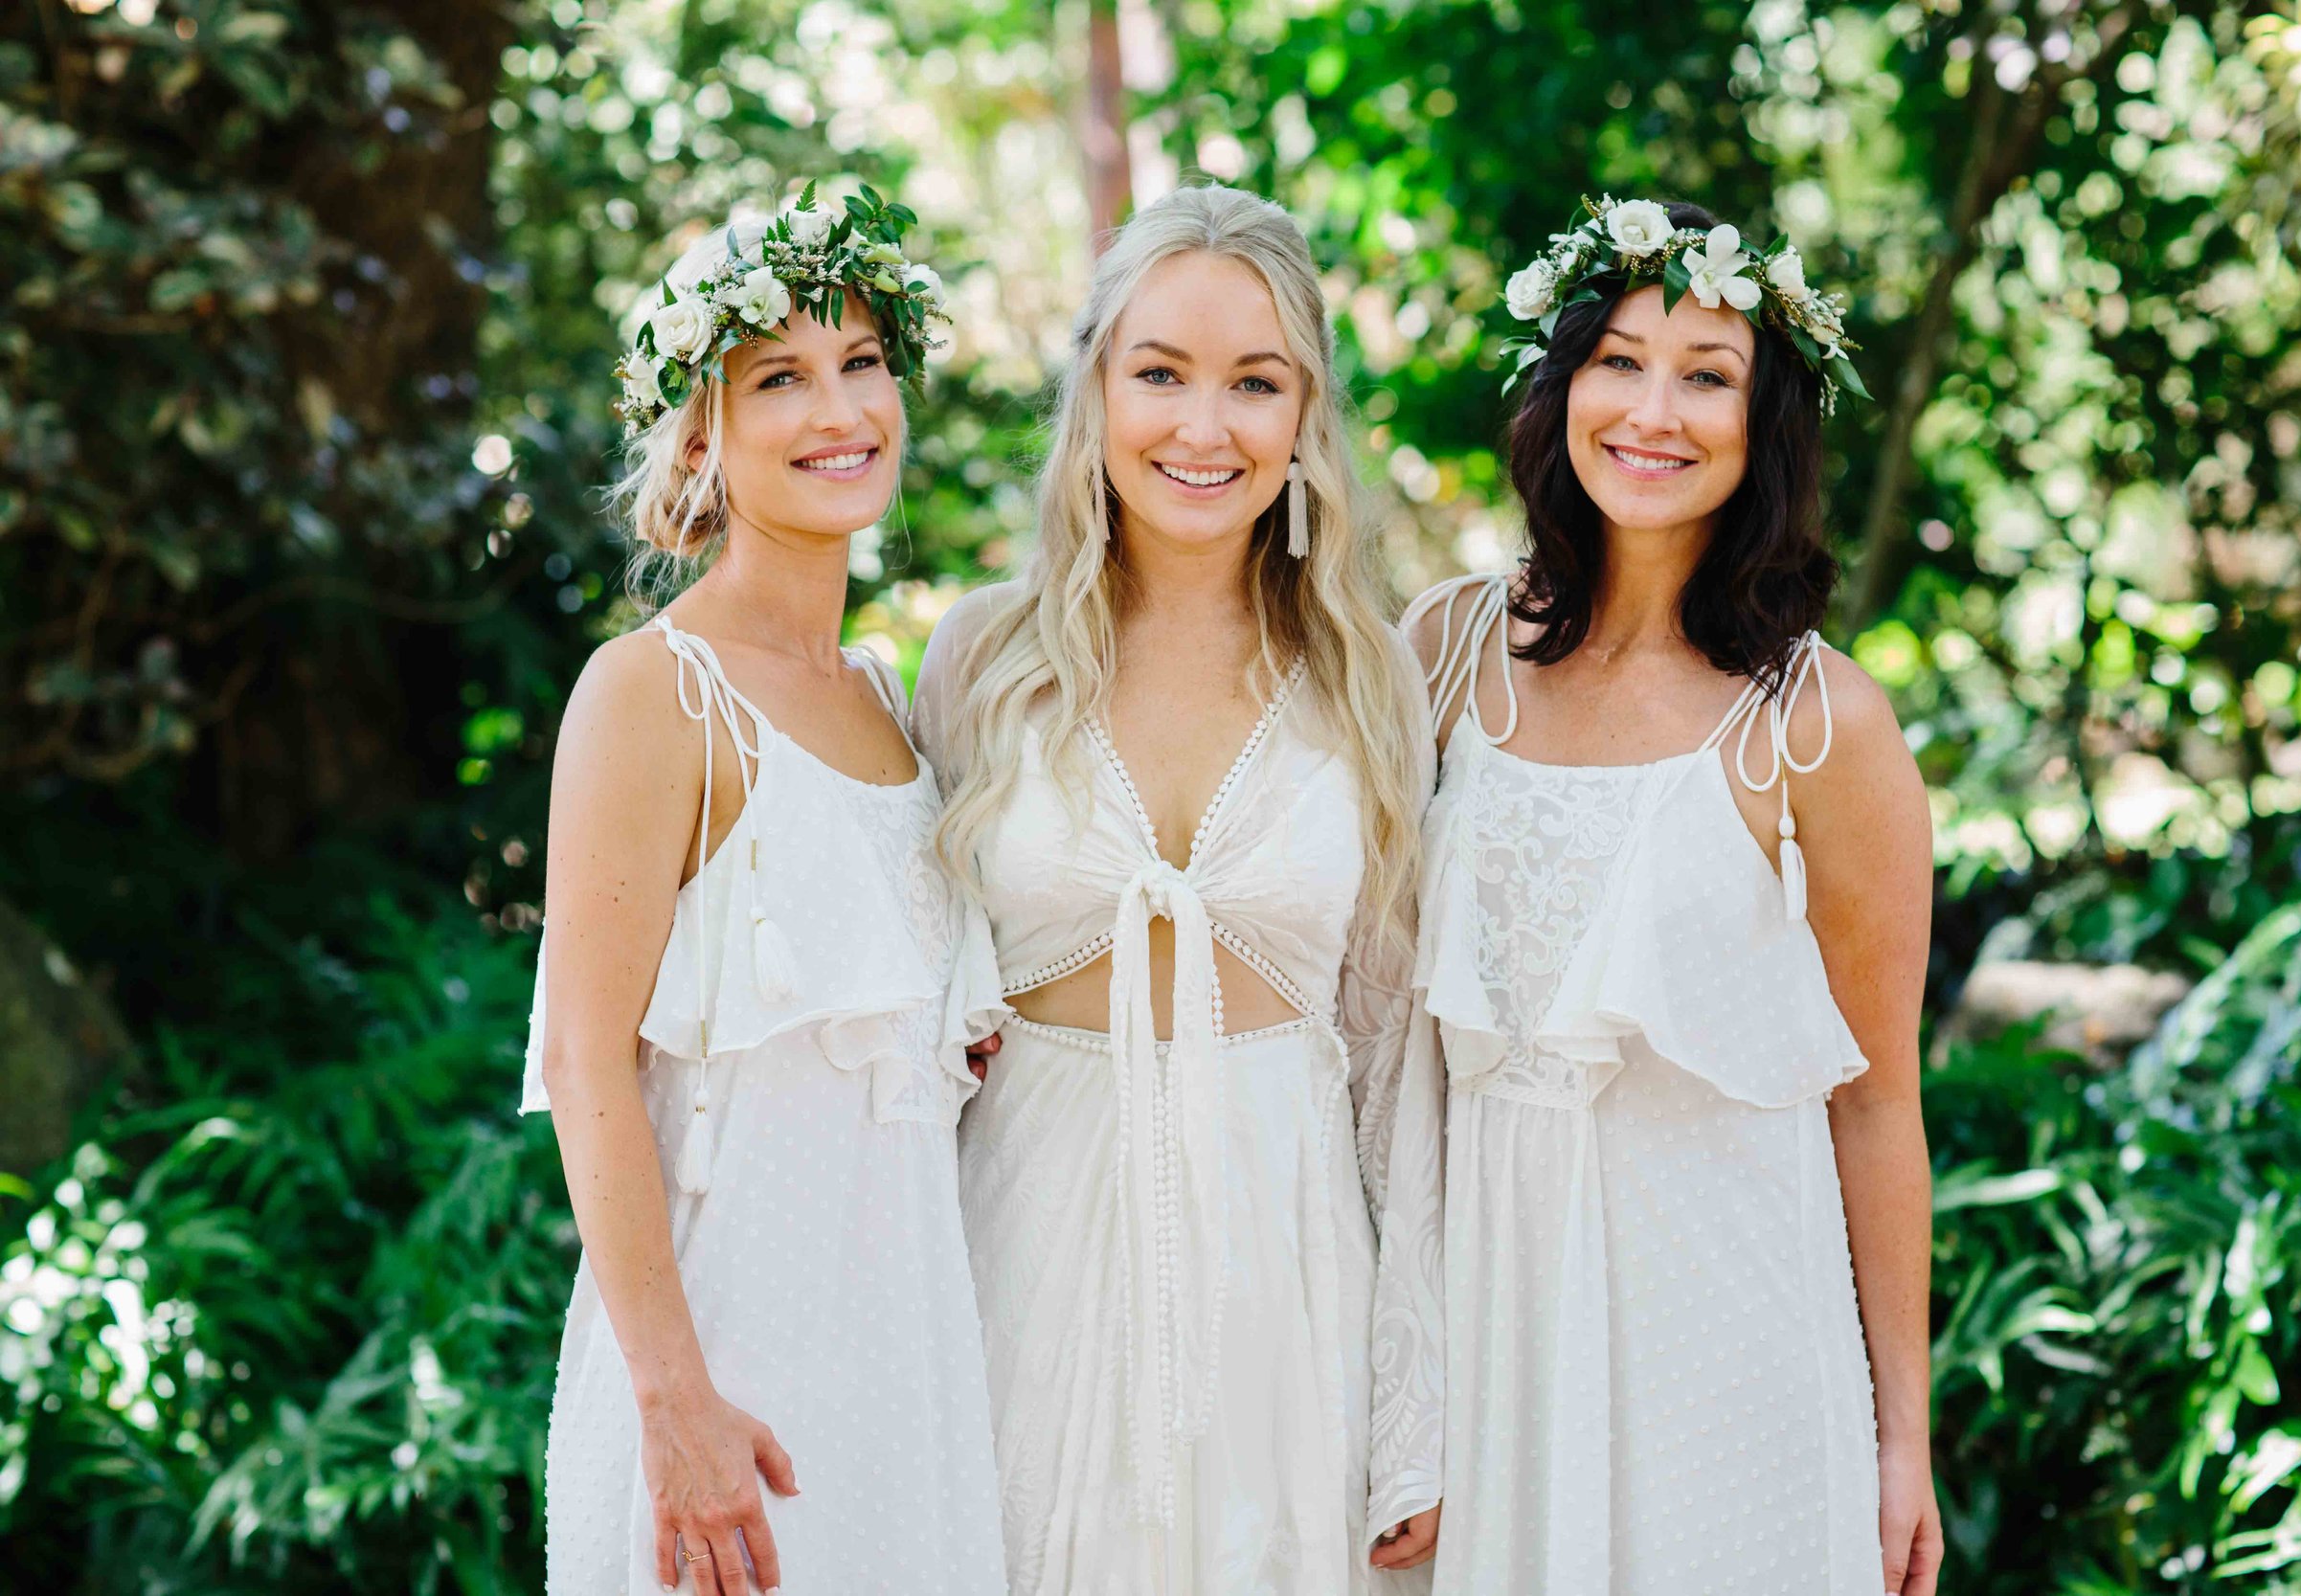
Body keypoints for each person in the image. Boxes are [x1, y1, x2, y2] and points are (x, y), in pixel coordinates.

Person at [913, 184, 1446, 1595]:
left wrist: (1418, 1413)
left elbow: (1394, 1062)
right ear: (1094, 387)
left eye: (1254, 385)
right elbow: (912, 1024)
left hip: (1285, 1266)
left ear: (1305, 419)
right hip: (1018, 1249)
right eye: (1160, 374)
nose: (1203, 429)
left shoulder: (1367, 677)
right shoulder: (979, 661)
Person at [1410, 196, 1940, 1595]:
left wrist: (1905, 1441)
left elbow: (1880, 1101)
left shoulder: (1823, 723)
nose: (1654, 410)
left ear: (1764, 419)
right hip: (1485, 1313)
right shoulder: (1441, 653)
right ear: (1563, 384)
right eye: (1621, 360)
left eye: (1707, 374)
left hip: (1726, 1334)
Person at [522, 190, 1005, 1596]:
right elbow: (585, 1060)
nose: (838, 409)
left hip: (906, 1361)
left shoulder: (888, 704)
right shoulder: (651, 692)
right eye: (779, 379)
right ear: (703, 438)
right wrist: (676, 1405)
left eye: (861, 364)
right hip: (728, 1372)